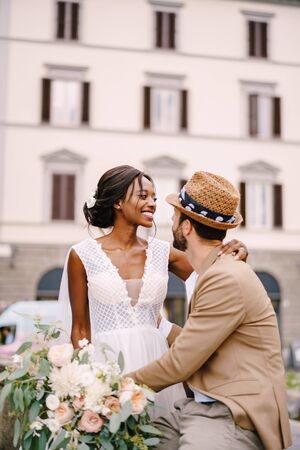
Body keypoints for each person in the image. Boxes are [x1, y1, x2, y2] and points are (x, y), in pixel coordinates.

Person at [58, 165, 248, 417]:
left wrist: (234, 251)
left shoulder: (163, 253)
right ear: (117, 202)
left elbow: (214, 273)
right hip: (105, 365)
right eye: (143, 196)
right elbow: (80, 329)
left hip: (156, 362)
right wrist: (84, 385)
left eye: (154, 198)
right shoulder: (81, 255)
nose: (152, 203)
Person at [129, 171, 292, 450]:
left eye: (176, 215)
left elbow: (180, 363)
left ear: (187, 227)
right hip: (202, 405)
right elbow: (201, 346)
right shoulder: (218, 270)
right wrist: (161, 325)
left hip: (233, 412)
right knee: (132, 442)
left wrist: (112, 387)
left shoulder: (224, 278)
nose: (170, 220)